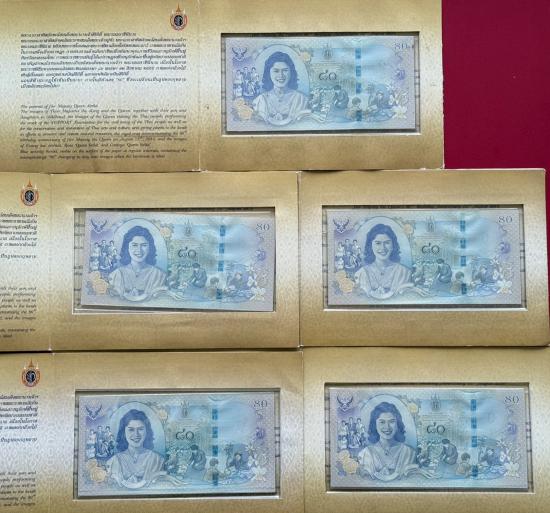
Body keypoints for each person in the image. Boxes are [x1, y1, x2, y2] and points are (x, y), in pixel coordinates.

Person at [357, 402, 416, 481]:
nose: (387, 427)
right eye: (382, 422)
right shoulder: (365, 454)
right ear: (374, 425)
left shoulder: (409, 452)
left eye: (391, 421)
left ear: (398, 424)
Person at [107, 409, 165, 488]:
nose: (136, 434)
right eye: (131, 429)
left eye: (140, 429)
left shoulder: (158, 460)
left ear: (147, 431)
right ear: (123, 432)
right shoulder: (113, 461)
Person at [354, 224, 412, 299]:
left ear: (393, 245)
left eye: (387, 243)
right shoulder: (361, 274)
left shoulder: (404, 273)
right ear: (370, 246)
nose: (383, 248)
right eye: (378, 243)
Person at [108, 225, 166, 300]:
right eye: (134, 245)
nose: (139, 250)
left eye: (144, 245)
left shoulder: (159, 275)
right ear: (127, 247)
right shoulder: (116, 275)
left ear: (150, 248)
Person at [253, 51, 309, 126]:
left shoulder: (301, 100)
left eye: (285, 70)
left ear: (291, 72)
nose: (281, 75)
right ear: (268, 73)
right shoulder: (259, 101)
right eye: (276, 71)